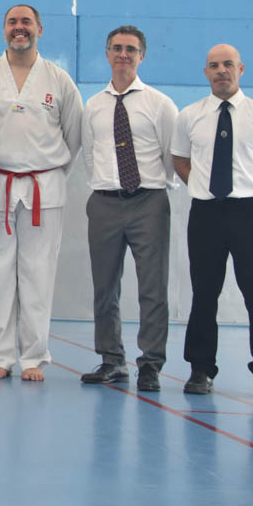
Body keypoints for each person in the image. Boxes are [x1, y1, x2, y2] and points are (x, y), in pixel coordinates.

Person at [0, 4, 81, 381]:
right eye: (12, 22)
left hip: (44, 189)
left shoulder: (59, 80)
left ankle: (33, 358)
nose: (19, 28)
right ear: (3, 30)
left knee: (38, 275)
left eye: (26, 22)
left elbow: (74, 136)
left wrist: (48, 171)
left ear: (39, 29)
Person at [173, 44, 253, 401]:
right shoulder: (189, 116)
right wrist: (204, 187)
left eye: (228, 64)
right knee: (204, 293)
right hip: (206, 213)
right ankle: (200, 369)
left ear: (241, 69)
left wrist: (251, 190)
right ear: (205, 72)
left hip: (250, 213)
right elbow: (180, 161)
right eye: (214, 65)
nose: (221, 70)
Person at [79, 25, 178, 391]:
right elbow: (90, 154)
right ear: (107, 54)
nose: (123, 54)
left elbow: (170, 156)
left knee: (153, 287)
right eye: (117, 48)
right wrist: (109, 184)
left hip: (148, 202)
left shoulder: (160, 104)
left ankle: (150, 364)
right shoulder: (93, 105)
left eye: (131, 49)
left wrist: (147, 188)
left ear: (141, 56)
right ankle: (112, 360)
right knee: (105, 288)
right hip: (104, 203)